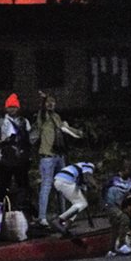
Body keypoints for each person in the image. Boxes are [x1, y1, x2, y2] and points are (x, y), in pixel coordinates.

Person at [33, 92, 83, 228]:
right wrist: (43, 99)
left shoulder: (56, 117)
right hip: (47, 156)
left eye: (53, 101)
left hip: (59, 156)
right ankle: (42, 218)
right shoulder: (43, 117)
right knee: (46, 186)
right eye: (48, 102)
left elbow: (65, 129)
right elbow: (42, 111)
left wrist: (77, 132)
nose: (51, 104)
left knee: (62, 186)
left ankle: (63, 215)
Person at [0, 93, 36, 213]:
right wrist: (3, 142)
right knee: (3, 188)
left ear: (18, 108)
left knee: (23, 188)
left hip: (21, 160)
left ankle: (23, 213)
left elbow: (30, 139)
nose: (12, 109)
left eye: (14, 107)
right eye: (10, 107)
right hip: (5, 161)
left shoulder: (24, 122)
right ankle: (2, 214)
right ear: (6, 108)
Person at [103, 160, 131, 255]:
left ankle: (111, 250)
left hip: (120, 205)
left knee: (115, 227)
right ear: (125, 169)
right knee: (124, 219)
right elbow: (103, 190)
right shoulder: (113, 179)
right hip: (110, 204)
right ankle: (121, 245)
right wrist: (103, 204)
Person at [52, 161, 97, 234]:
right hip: (66, 181)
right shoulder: (89, 165)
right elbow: (88, 176)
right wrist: (95, 185)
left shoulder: (79, 171)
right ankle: (59, 220)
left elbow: (83, 187)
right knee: (82, 204)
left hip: (60, 181)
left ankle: (66, 225)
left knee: (77, 205)